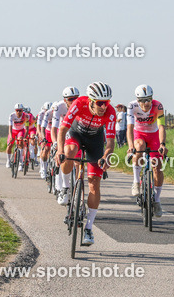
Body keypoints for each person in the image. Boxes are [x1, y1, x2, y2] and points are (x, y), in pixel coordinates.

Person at [56, 82, 116, 246]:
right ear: (90, 101)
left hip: (95, 141)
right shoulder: (78, 104)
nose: (104, 106)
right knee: (69, 153)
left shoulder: (110, 113)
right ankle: (66, 189)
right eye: (100, 103)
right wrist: (59, 151)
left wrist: (106, 156)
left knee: (94, 185)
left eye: (107, 102)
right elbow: (62, 130)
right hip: (76, 133)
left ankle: (89, 228)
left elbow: (110, 142)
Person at [126, 85, 167, 217]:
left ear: (152, 99)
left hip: (154, 135)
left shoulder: (158, 106)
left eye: (148, 100)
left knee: (158, 167)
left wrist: (162, 144)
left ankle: (157, 200)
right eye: (142, 101)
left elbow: (161, 127)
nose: (145, 104)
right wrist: (130, 146)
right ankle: (136, 182)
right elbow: (130, 127)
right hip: (139, 134)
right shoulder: (132, 106)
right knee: (139, 148)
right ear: (137, 100)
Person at [51, 86, 80, 200]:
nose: (73, 102)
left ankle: (77, 188)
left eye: (75, 99)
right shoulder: (59, 107)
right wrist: (55, 143)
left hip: (76, 133)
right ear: (64, 100)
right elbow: (54, 129)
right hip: (62, 132)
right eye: (70, 99)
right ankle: (63, 187)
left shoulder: (81, 106)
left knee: (78, 163)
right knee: (62, 157)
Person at [6, 103, 27, 167]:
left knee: (20, 143)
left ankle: (20, 161)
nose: (18, 112)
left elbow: (27, 128)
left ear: (22, 110)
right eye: (17, 110)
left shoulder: (26, 116)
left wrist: (25, 137)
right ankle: (8, 160)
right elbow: (10, 127)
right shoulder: (12, 115)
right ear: (15, 111)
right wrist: (11, 136)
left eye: (20, 110)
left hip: (21, 131)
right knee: (9, 145)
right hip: (13, 130)